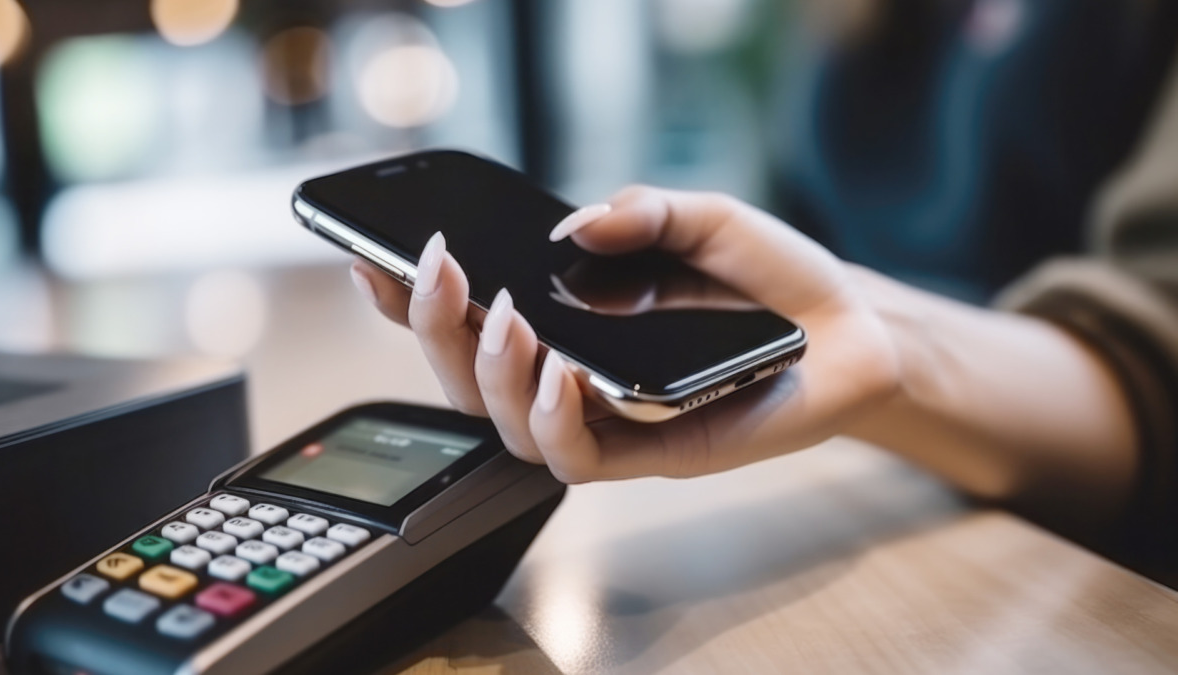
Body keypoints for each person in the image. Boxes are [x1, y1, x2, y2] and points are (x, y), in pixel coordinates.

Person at [349, 43, 1178, 587]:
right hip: (871, 489)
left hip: (1074, 566)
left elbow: (1160, 356)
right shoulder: (850, 26)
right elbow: (798, 221)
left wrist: (890, 353)